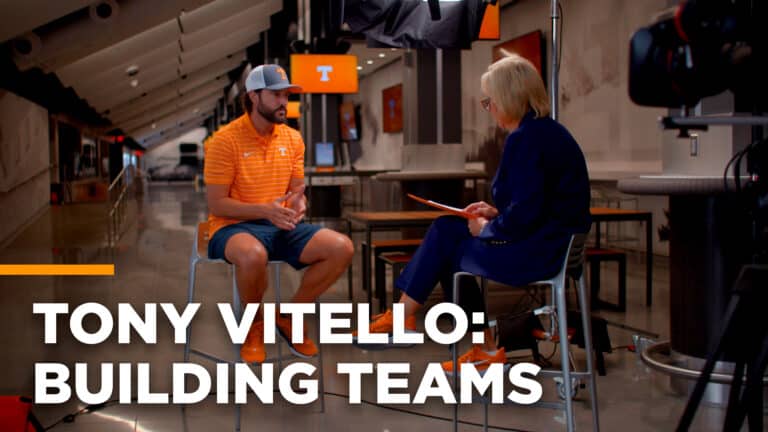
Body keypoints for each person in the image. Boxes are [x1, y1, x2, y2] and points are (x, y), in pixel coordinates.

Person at [357, 54, 592, 372]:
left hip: (539, 254)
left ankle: (408, 318)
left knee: (445, 238)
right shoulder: (549, 132)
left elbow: (526, 211)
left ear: (509, 97)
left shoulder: (525, 138)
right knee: (447, 236)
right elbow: (539, 203)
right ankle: (470, 342)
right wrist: (495, 212)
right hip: (557, 248)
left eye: (489, 101)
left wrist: (487, 229)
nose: (489, 108)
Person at [204, 64, 354, 363]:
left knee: (341, 247)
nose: (284, 102)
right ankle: (254, 326)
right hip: (233, 226)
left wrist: (299, 206)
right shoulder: (224, 141)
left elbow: (298, 190)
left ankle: (288, 315)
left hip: (279, 225)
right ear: (254, 96)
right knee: (253, 256)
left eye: (286, 95)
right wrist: (264, 211)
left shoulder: (292, 138)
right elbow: (217, 204)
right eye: (275, 95)